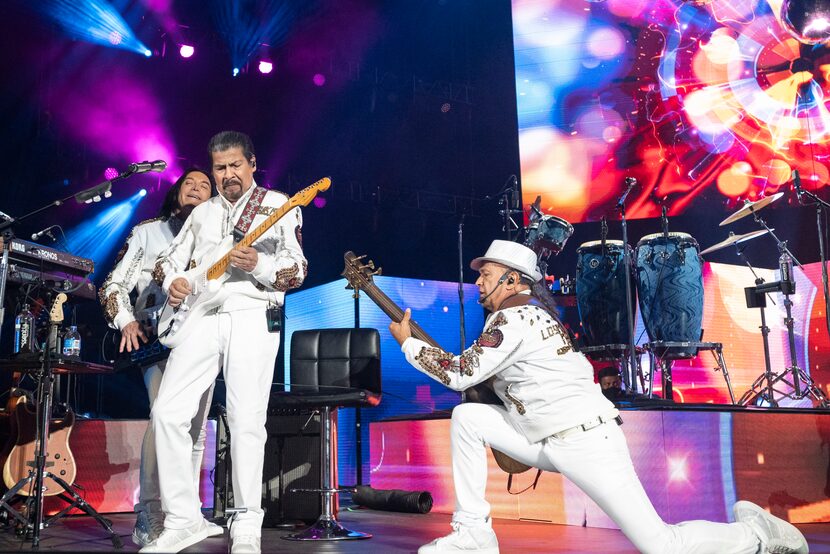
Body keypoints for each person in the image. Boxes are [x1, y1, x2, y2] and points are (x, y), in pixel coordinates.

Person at [389, 239, 809, 554]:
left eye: (486, 273)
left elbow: (462, 373)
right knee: (469, 420)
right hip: (548, 438)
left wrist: (409, 343)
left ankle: (756, 536)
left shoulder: (514, 319)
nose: (478, 280)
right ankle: (473, 533)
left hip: (586, 442)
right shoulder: (523, 315)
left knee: (661, 544)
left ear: (512, 279)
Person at [141, 131, 307, 554]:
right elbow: (167, 261)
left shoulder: (279, 205)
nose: (227, 174)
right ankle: (183, 519)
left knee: (245, 420)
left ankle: (247, 520)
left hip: (251, 313)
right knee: (167, 412)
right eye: (219, 168)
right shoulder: (202, 214)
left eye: (235, 165)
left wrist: (261, 263)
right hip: (199, 316)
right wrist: (175, 281)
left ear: (252, 163)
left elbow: (297, 271)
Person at [98, 168, 219, 547]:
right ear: (176, 193)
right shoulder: (148, 232)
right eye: (190, 183)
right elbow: (113, 284)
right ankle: (149, 514)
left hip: (203, 339)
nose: (198, 189)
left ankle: (186, 515)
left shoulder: (215, 238)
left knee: (196, 429)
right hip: (160, 340)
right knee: (164, 421)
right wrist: (127, 320)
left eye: (205, 186)